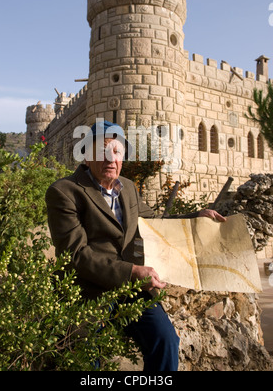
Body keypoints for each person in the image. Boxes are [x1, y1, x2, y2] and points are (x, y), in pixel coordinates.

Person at [45, 120, 226, 372]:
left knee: (165, 339)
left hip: (132, 290)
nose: (110, 158)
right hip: (88, 291)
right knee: (86, 356)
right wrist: (130, 272)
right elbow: (75, 254)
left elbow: (153, 224)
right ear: (86, 157)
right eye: (102, 151)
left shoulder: (128, 187)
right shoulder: (64, 191)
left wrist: (195, 218)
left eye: (117, 151)